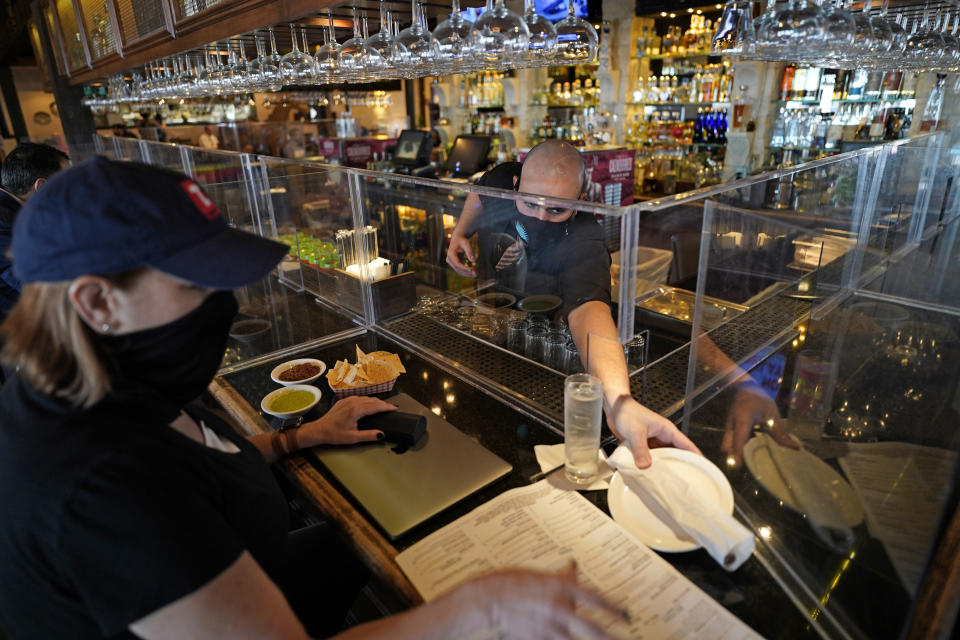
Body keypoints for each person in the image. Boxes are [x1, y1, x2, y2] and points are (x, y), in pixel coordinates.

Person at [0, 157, 623, 640]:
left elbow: (200, 453)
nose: (226, 301)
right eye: (198, 281)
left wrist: (299, 437)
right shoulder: (103, 487)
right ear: (97, 303)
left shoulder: (97, 385)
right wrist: (476, 611)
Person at [447, 140, 700, 469]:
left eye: (555, 209)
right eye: (530, 203)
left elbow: (589, 310)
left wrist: (620, 401)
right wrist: (460, 232)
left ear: (579, 201)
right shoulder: (507, 178)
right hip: (495, 328)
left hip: (546, 350)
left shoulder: (585, 235)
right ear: (516, 185)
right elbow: (481, 191)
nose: (541, 216)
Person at [0, 142, 69, 319]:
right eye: (66, 182)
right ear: (42, 186)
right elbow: (37, 285)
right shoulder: (7, 224)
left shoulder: (13, 206)